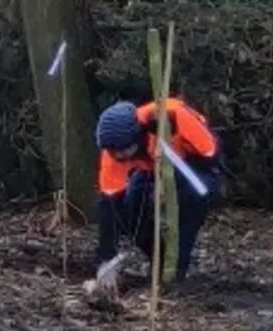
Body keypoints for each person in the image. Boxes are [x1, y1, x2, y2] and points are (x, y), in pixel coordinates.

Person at [89, 96, 222, 304]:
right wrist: (107, 258)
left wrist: (169, 174)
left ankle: (175, 271)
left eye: (124, 150)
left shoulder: (174, 116)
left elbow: (211, 153)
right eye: (113, 152)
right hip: (150, 168)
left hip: (193, 167)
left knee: (192, 199)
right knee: (131, 208)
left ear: (138, 135)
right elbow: (109, 203)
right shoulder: (113, 150)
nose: (119, 156)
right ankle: (158, 259)